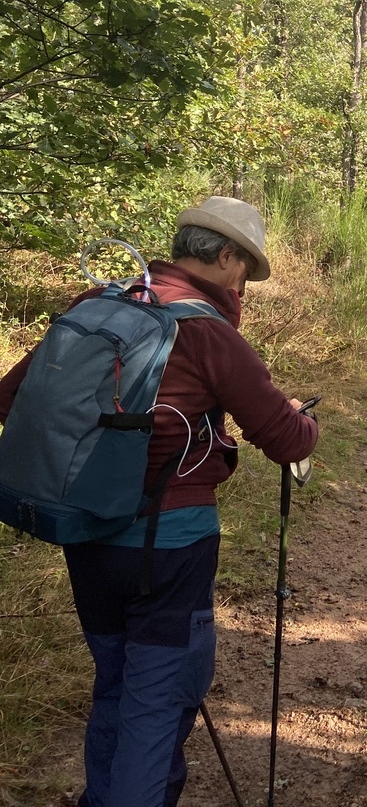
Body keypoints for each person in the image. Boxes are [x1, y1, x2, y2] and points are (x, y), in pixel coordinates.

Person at [0, 196, 319, 807]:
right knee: (158, 702)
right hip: (170, 549)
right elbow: (287, 440)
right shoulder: (207, 332)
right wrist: (304, 421)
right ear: (224, 256)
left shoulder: (98, 304)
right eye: (244, 271)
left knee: (116, 685)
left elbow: (11, 399)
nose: (242, 287)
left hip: (85, 534)